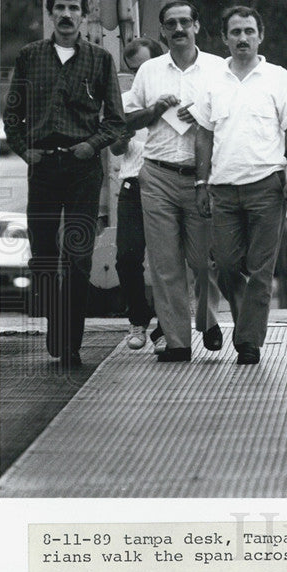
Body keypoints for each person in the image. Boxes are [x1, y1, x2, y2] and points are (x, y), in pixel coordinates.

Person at [3, 0, 126, 367]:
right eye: (60, 8)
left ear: (85, 14)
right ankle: (56, 320)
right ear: (50, 12)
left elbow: (116, 121)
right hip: (43, 167)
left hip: (82, 167)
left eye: (74, 8)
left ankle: (70, 342)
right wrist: (26, 151)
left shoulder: (100, 60)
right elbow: (12, 116)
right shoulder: (29, 57)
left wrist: (92, 145)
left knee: (78, 255)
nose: (67, 14)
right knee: (41, 254)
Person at [194, 6, 287, 365]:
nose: (243, 38)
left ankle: (249, 341)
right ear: (224, 38)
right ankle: (247, 324)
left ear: (261, 36)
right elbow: (204, 135)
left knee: (261, 268)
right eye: (236, 32)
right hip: (223, 188)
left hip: (267, 186)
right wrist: (201, 182)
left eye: (249, 31)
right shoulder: (212, 80)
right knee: (225, 264)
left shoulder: (277, 77)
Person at [123, 1, 230, 363]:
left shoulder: (219, 68)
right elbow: (128, 121)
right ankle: (177, 342)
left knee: (203, 261)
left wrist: (202, 113)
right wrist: (154, 111)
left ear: (197, 26)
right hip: (157, 174)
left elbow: (233, 117)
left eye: (186, 21)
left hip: (202, 177)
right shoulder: (149, 71)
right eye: (172, 23)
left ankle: (208, 320)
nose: (179, 28)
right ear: (163, 31)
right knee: (165, 264)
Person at [110, 37, 166, 351]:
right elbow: (118, 149)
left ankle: (165, 327)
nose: (138, 74)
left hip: (166, 181)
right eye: (133, 69)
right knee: (127, 256)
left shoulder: (176, 95)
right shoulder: (126, 99)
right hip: (133, 182)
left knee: (165, 259)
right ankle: (138, 319)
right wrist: (124, 133)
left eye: (144, 66)